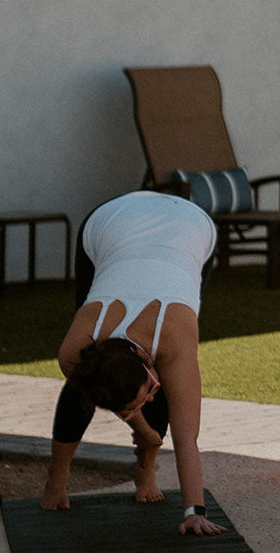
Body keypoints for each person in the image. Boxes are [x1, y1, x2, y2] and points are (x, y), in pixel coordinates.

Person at [39, 190, 228, 537]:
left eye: (146, 392)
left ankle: (146, 470)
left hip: (188, 223)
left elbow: (188, 438)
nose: (150, 398)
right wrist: (145, 431)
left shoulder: (175, 335)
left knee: (170, 391)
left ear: (145, 361)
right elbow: (99, 387)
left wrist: (194, 511)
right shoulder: (76, 351)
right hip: (109, 226)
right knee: (83, 385)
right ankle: (57, 476)